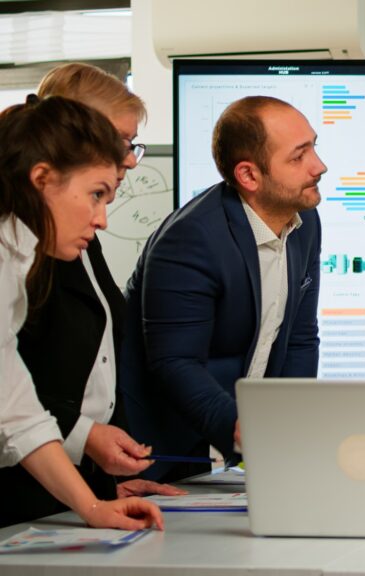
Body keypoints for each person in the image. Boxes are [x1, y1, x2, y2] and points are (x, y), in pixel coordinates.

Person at [1, 63, 185, 527]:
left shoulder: (20, 252)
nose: (103, 219)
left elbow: (17, 412)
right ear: (43, 178)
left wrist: (93, 505)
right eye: (96, 194)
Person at [120, 96, 325, 482]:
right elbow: (174, 363)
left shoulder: (305, 224)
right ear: (249, 176)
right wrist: (246, 433)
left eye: (314, 146)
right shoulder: (190, 239)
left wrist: (294, 427)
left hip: (234, 453)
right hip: (156, 451)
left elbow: (300, 338)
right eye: (299, 157)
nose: (319, 166)